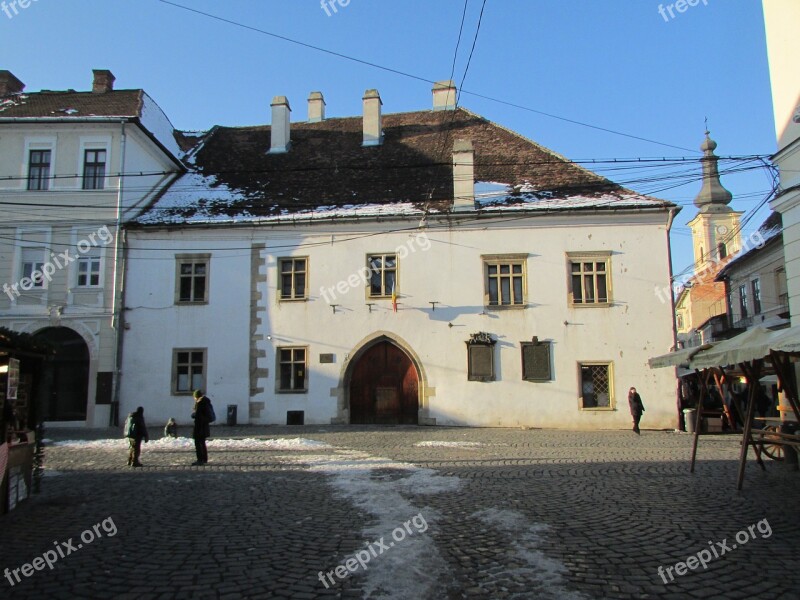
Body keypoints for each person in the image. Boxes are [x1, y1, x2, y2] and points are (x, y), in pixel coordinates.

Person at [191, 390, 212, 465]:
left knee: (198, 443)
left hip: (199, 427)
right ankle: (204, 459)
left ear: (196, 396)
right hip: (204, 426)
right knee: (202, 443)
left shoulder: (200, 403)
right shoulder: (206, 402)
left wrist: (193, 415)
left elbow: (198, 415)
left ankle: (200, 459)